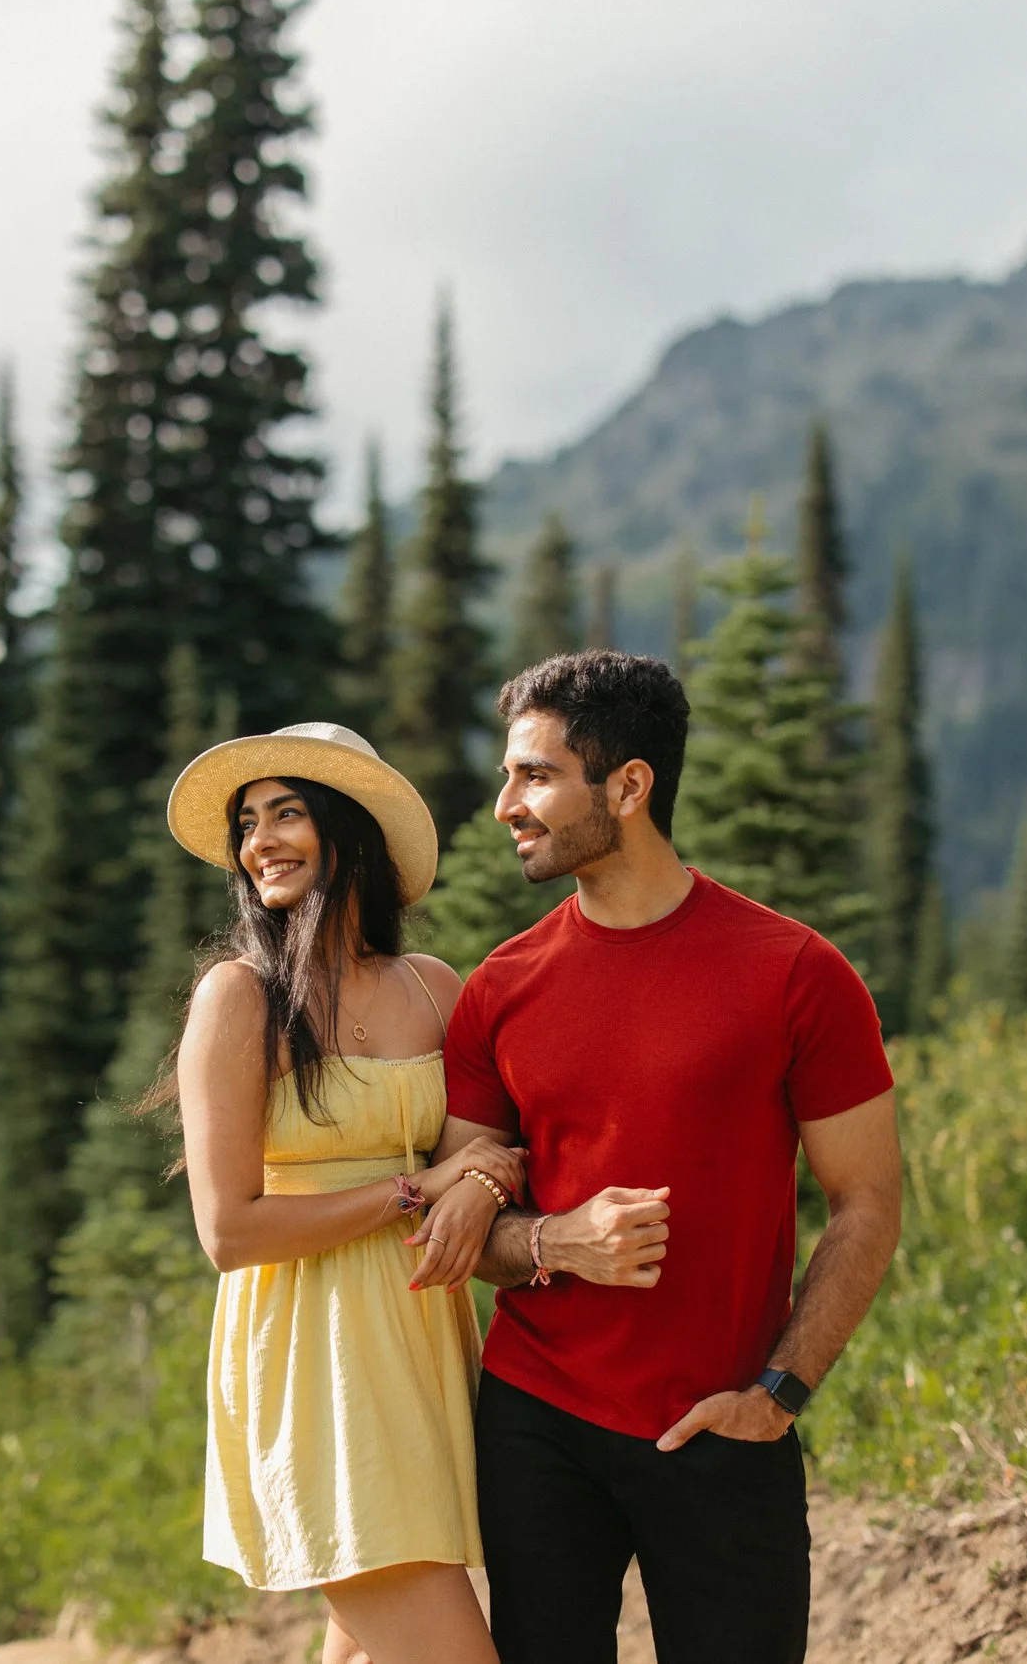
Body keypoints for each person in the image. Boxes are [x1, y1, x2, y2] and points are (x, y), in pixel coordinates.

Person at [434, 651, 905, 1664]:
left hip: (724, 1425)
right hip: (537, 1422)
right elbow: (462, 1223)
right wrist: (555, 1239)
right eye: (509, 774)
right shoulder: (497, 989)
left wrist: (779, 1391)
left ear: (630, 785)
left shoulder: (797, 973)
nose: (505, 803)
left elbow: (865, 1202)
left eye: (535, 775)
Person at [166, 721, 526, 1664]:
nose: (260, 842)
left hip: (422, 1341)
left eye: (288, 814)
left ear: (351, 829)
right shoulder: (239, 998)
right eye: (249, 822)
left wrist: (483, 1182)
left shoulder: (435, 986)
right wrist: (413, 1191)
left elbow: (488, 1156)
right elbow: (229, 1230)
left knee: (367, 1647)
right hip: (310, 1351)